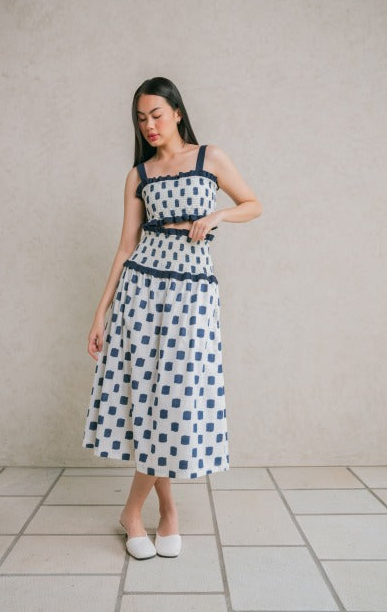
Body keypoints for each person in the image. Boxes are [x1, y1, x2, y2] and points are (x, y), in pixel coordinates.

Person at [82, 77, 262, 559]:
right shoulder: (138, 175)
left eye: (157, 114)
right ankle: (166, 510)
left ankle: (133, 510)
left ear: (178, 112)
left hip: (193, 293)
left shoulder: (209, 158)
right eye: (141, 118)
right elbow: (125, 247)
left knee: (174, 401)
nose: (149, 125)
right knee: (149, 401)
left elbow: (253, 204)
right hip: (141, 290)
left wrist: (218, 216)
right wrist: (99, 315)